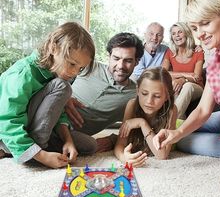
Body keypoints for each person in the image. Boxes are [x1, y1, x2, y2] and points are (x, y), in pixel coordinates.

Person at [153, 0, 220, 193]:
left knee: (186, 143)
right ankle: (177, 126)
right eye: (194, 28)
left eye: (205, 23)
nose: (200, 34)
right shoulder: (216, 55)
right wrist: (176, 133)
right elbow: (202, 110)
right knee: (181, 136)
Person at [0, 22, 95, 168]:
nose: (75, 72)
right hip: (7, 134)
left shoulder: (55, 72)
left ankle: (37, 147)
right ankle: (33, 152)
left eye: (80, 68)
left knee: (89, 145)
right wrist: (42, 156)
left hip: (34, 128)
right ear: (53, 48)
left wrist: (68, 140)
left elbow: (55, 111)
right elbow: (7, 121)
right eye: (71, 64)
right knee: (63, 86)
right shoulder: (23, 74)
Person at [65, 32, 144, 152]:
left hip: (72, 135)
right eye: (116, 58)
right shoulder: (88, 65)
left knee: (91, 146)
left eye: (128, 61)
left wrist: (113, 140)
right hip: (54, 113)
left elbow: (142, 129)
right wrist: (64, 98)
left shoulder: (134, 95)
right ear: (109, 56)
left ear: (137, 62)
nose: (120, 66)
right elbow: (56, 79)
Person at [114, 67, 177, 167]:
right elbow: (120, 143)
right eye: (144, 93)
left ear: (167, 97)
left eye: (156, 96)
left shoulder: (171, 111)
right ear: (138, 90)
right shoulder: (131, 105)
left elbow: (162, 155)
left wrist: (142, 123)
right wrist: (124, 158)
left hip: (180, 127)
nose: (149, 101)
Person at [162, 22, 204, 119]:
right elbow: (163, 73)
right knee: (174, 85)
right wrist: (184, 75)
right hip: (178, 86)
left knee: (187, 86)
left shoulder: (198, 52)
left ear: (186, 33)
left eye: (180, 32)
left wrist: (183, 80)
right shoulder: (170, 52)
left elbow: (196, 77)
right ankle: (180, 121)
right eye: (173, 33)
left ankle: (171, 121)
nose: (177, 35)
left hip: (196, 87)